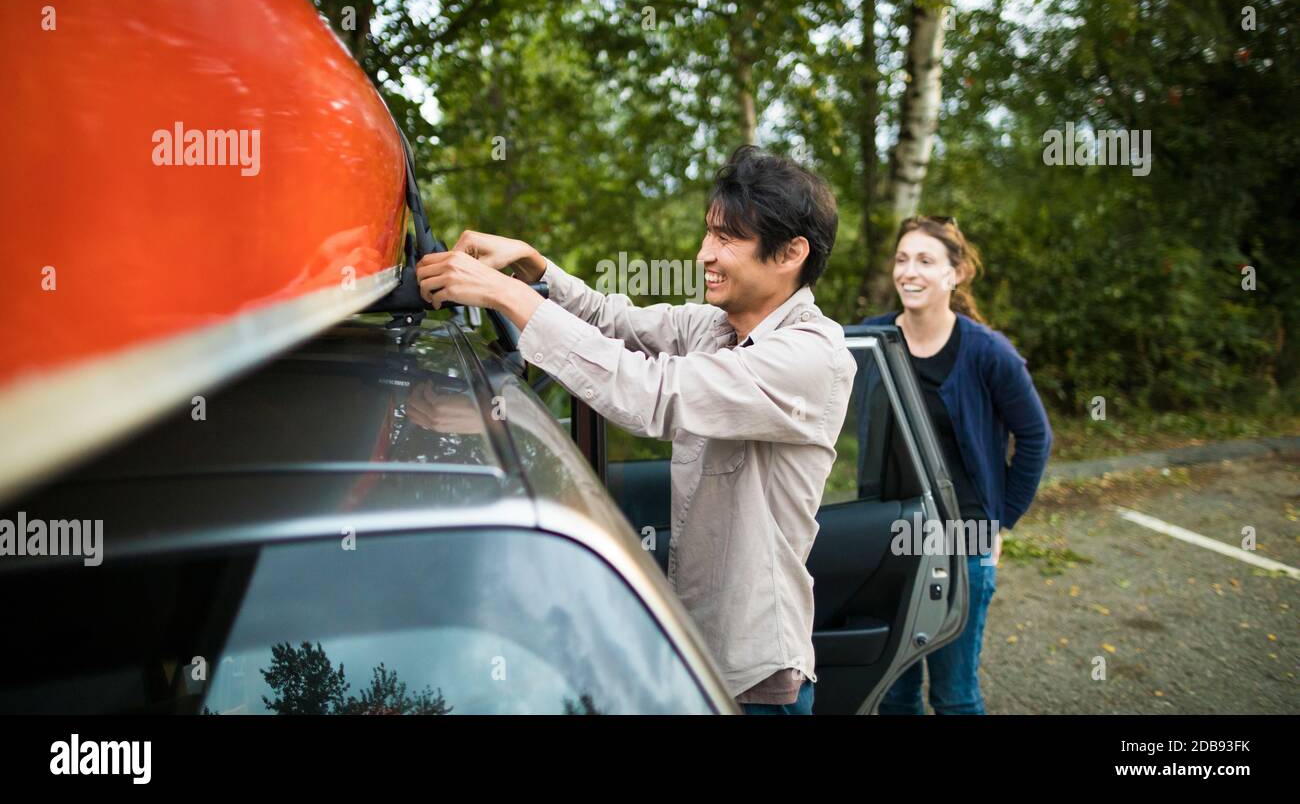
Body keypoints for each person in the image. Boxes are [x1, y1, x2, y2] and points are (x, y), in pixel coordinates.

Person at [414, 145, 856, 714]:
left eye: (727, 239)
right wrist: (534, 266)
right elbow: (611, 321)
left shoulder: (809, 358)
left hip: (753, 678)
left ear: (791, 252)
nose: (704, 255)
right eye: (708, 234)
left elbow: (651, 393)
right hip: (700, 652)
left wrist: (505, 294)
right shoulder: (717, 326)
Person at [860, 215, 1052, 715]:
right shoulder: (869, 341)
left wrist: (1000, 519)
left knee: (954, 695)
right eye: (902, 259)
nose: (909, 271)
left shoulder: (988, 352)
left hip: (962, 540)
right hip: (891, 535)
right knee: (892, 693)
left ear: (956, 273)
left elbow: (1035, 437)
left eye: (926, 260)